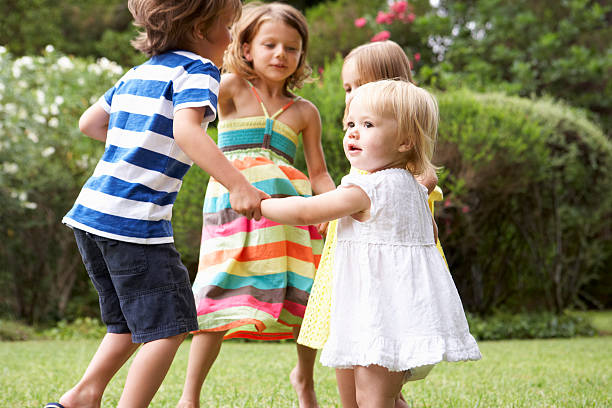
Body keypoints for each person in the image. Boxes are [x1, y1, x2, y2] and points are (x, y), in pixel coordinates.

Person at [45, 1, 269, 407]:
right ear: (202, 29)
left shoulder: (139, 73)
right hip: (134, 221)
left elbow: (89, 123)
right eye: (229, 26)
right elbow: (187, 131)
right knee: (169, 326)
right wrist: (238, 184)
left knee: (130, 324)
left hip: (93, 214)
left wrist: (137, 139)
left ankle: (82, 396)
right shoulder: (199, 70)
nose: (233, 37)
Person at [261, 80, 482, 408]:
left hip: (378, 319)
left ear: (406, 140)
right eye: (350, 124)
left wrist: (261, 205)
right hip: (405, 316)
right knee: (386, 398)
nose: (353, 132)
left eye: (367, 125)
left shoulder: (368, 189)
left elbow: (307, 210)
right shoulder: (413, 189)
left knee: (372, 399)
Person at [177, 3, 335, 408]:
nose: (281, 54)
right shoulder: (228, 87)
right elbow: (190, 126)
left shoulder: (304, 112)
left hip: (289, 211)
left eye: (292, 48)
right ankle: (189, 396)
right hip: (234, 204)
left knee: (305, 289)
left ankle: (305, 378)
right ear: (246, 47)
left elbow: (317, 173)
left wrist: (332, 209)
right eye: (270, 44)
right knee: (217, 286)